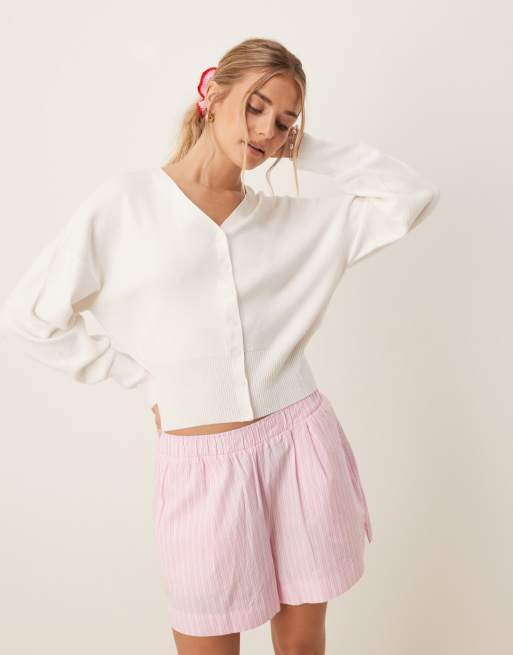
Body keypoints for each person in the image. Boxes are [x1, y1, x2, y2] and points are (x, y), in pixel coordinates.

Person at [0, 37, 440, 654]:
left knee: (302, 649)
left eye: (284, 120)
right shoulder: (126, 205)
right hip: (200, 470)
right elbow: (31, 316)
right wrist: (140, 379)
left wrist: (304, 146)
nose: (265, 130)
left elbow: (411, 199)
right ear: (211, 93)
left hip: (300, 447)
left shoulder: (292, 221)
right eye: (256, 107)